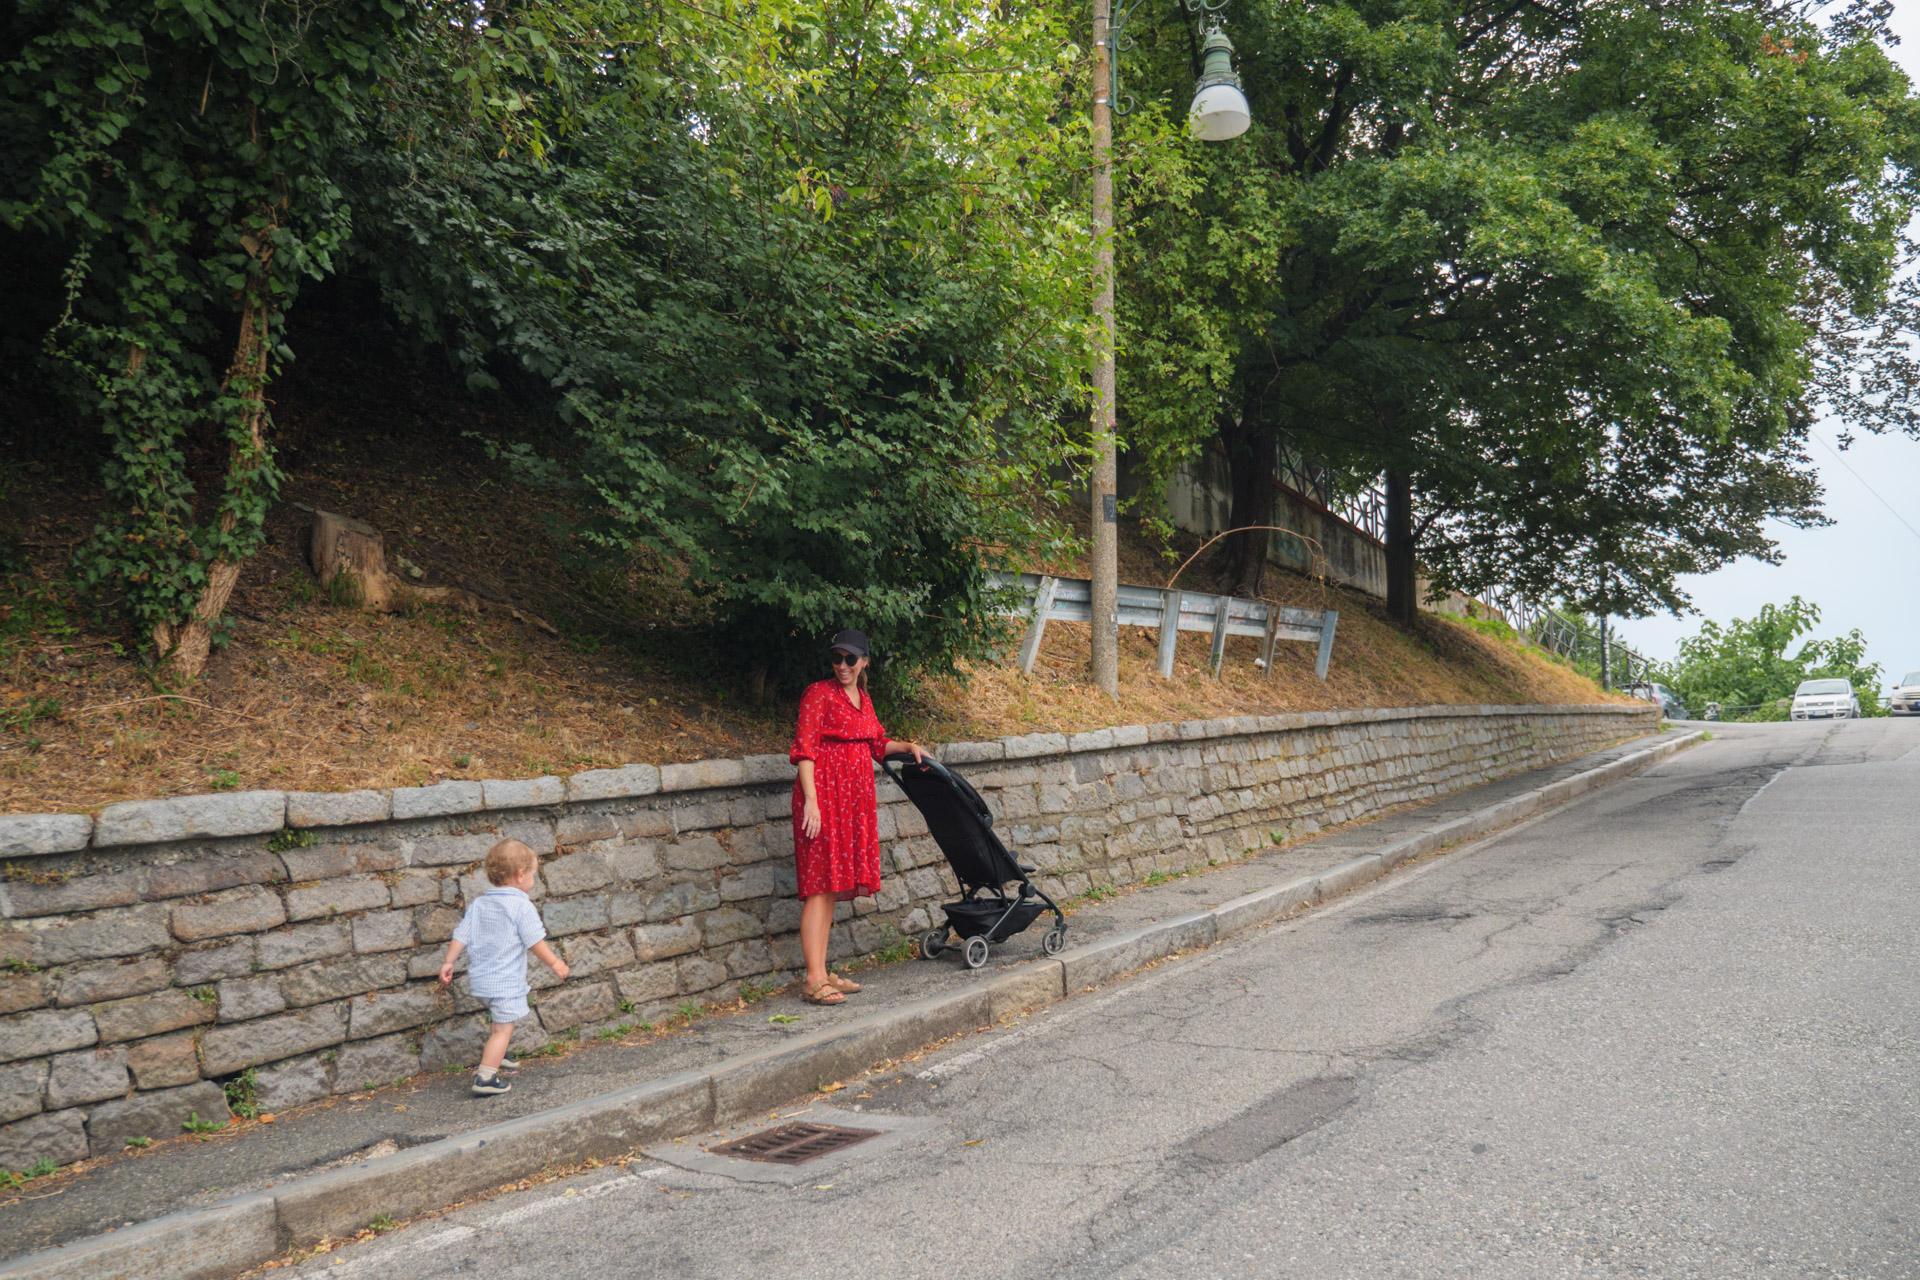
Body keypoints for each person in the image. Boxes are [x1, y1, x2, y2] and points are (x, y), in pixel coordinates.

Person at [789, 629, 925, 1006]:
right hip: (824, 797)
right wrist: (812, 802)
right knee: (818, 887)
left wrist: (909, 747)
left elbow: (877, 744)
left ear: (865, 661)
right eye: (837, 658)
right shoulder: (819, 694)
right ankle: (814, 979)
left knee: (830, 887)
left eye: (850, 659)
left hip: (852, 803)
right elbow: (804, 750)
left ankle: (821, 969)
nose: (843, 666)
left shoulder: (862, 698)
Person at [438, 838, 571, 1096]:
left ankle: (499, 1052)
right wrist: (555, 963)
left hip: (481, 983)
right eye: (533, 874)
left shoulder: (479, 904)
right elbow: (535, 941)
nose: (533, 879)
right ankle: (486, 1076)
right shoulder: (521, 906)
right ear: (520, 875)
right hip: (505, 982)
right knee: (502, 1028)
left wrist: (449, 961)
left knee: (500, 1022)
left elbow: (461, 935)